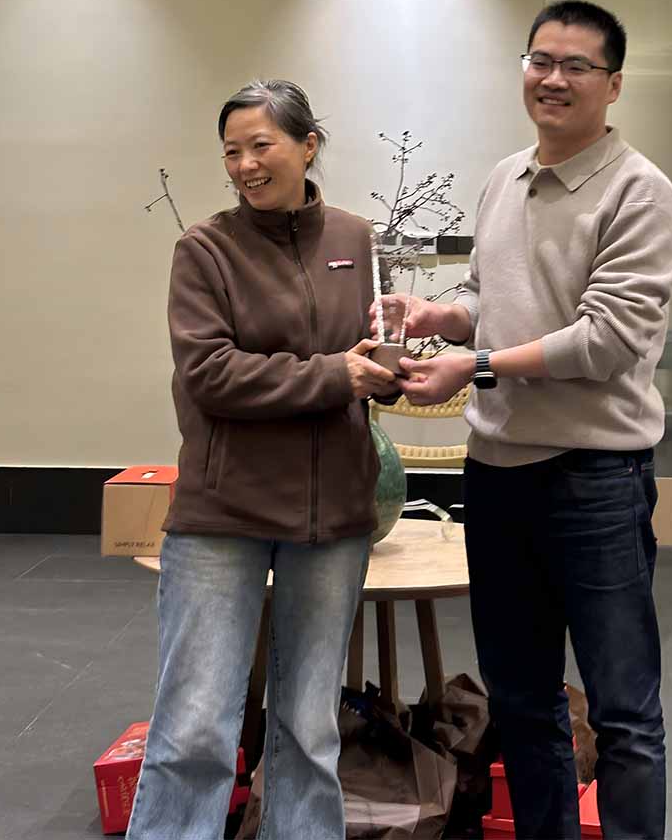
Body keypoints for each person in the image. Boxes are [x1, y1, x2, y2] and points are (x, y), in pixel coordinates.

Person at [375, 0, 672, 840]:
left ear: (612, 84)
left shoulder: (639, 191)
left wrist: (474, 366)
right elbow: (490, 298)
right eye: (540, 60)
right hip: (498, 474)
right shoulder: (505, 177)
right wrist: (441, 317)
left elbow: (606, 340)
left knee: (623, 709)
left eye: (577, 65)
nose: (553, 78)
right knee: (521, 698)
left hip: (594, 479)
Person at [128, 79, 398, 840]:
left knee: (311, 731)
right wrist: (335, 375)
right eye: (231, 152)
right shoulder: (205, 249)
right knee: (194, 731)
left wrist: (389, 366)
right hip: (225, 513)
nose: (244, 165)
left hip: (333, 516)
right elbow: (209, 373)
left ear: (308, 146)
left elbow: (365, 353)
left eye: (260, 145)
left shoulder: (355, 238)